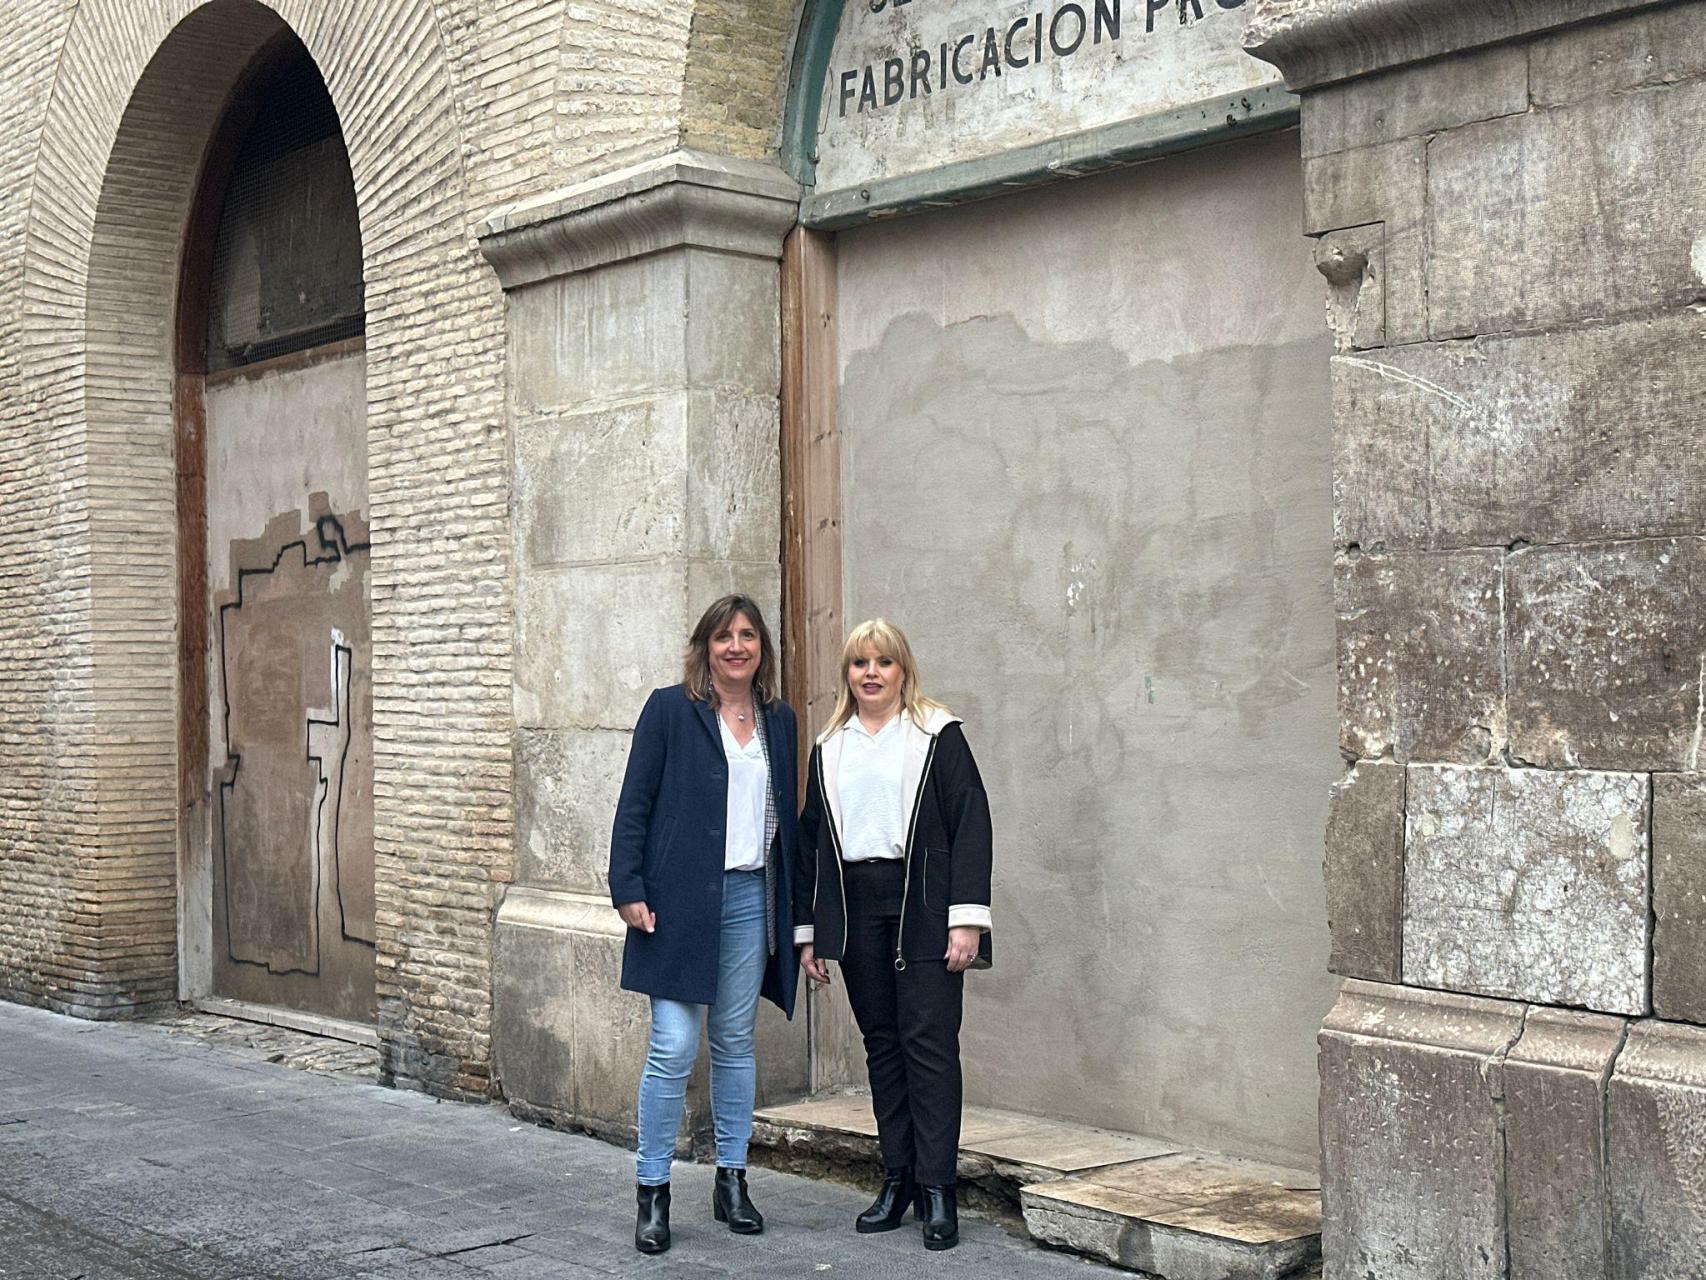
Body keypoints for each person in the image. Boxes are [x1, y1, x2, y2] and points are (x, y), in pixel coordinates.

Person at [793, 619, 993, 1252]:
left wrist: (966, 919)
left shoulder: (937, 734)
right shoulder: (831, 745)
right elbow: (809, 846)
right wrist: (810, 933)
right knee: (882, 1045)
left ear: (903, 670)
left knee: (928, 1045)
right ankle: (899, 1180)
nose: (871, 673)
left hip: (924, 907)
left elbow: (972, 825)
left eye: (883, 662)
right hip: (857, 910)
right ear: (847, 675)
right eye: (859, 664)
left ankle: (939, 1190)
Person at [608, 594, 799, 1255]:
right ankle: (653, 1192)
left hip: (751, 897)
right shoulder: (670, 710)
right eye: (725, 637)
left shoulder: (780, 721)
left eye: (748, 636)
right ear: (706, 647)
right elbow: (634, 804)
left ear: (761, 649)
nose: (737, 646)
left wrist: (798, 919)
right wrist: (627, 887)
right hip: (679, 902)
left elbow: (789, 828)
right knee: (672, 1045)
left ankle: (733, 1180)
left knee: (736, 1043)